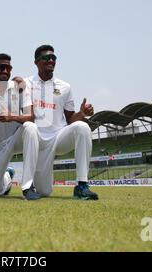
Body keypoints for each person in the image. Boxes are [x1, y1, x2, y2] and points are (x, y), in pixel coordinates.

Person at [24, 44, 98, 200]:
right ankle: (16, 179)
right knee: (44, 192)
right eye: (46, 58)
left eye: (53, 58)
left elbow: (70, 119)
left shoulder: (65, 87)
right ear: (36, 62)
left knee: (82, 127)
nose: (51, 60)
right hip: (36, 140)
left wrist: (82, 114)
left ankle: (82, 185)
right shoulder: (26, 84)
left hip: (58, 138)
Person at [0, 53, 41, 200]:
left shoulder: (19, 87)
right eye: (1, 67)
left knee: (31, 128)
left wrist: (10, 117)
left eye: (8, 68)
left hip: (16, 137)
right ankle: (8, 177)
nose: (5, 71)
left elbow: (31, 117)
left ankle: (28, 186)